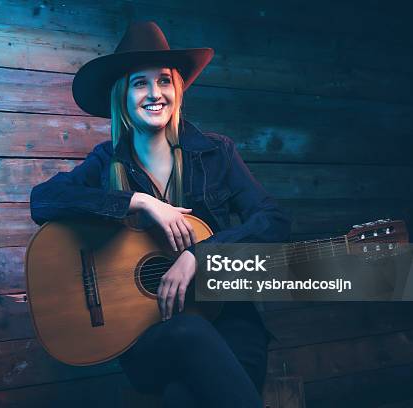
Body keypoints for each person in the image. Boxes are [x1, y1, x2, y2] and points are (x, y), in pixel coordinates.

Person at [30, 21, 290, 408]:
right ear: (123, 95)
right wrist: (139, 203)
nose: (155, 93)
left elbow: (274, 220)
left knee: (183, 397)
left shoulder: (217, 153)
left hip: (230, 320)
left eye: (165, 81)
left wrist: (199, 256)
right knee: (187, 331)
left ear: (177, 90)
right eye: (140, 83)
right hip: (148, 338)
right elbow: (44, 201)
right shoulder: (107, 163)